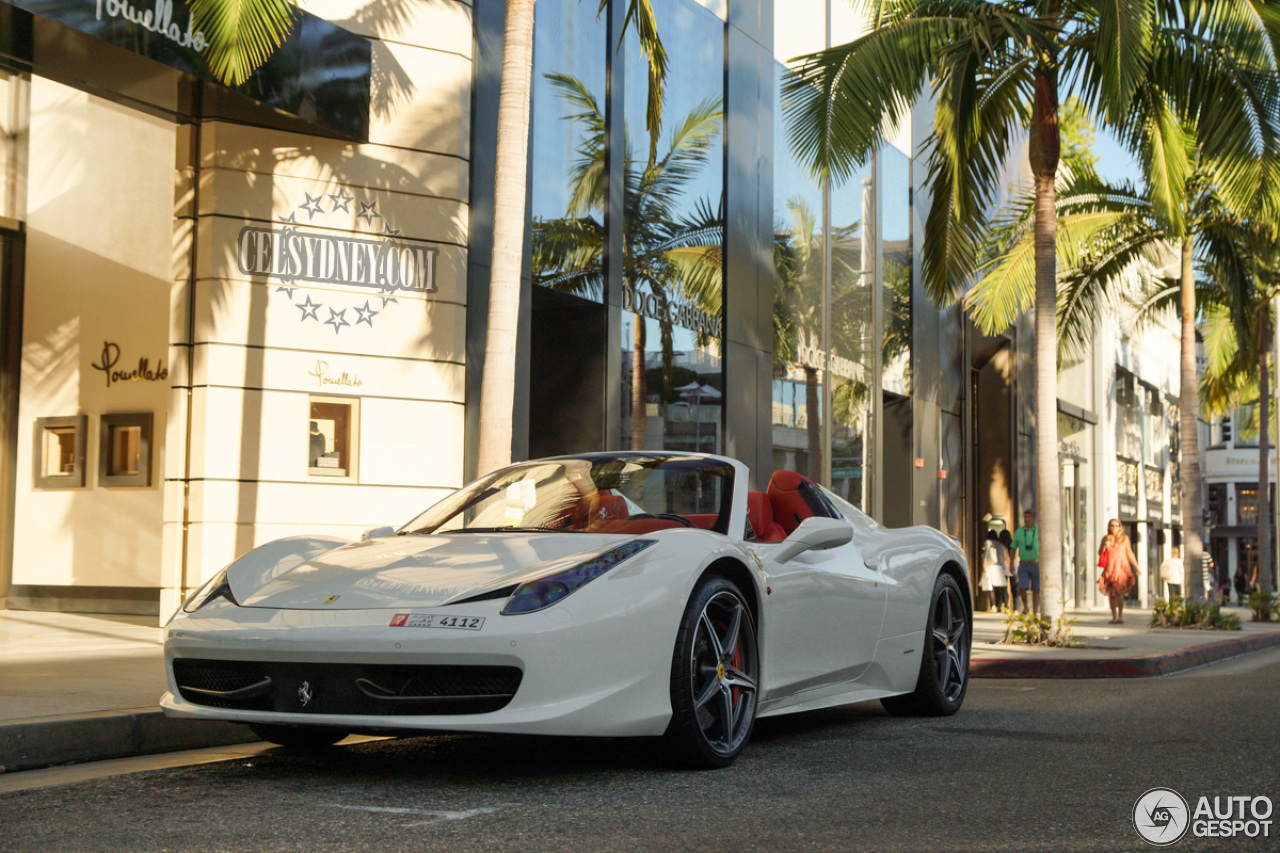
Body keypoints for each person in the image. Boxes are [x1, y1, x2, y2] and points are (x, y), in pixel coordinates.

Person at [1098, 519, 1139, 623]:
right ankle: (1113, 616)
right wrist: (1104, 547)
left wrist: (1136, 566)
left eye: (1116, 525)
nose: (1114, 527)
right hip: (1110, 568)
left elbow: (1129, 553)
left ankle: (1120, 616)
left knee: (1120, 593)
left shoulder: (1124, 539)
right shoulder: (1106, 538)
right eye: (1112, 525)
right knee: (1111, 594)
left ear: (1120, 527)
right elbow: (1100, 553)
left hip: (1121, 569)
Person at [1011, 509, 1040, 614]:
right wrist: (1011, 563)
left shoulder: (1039, 530)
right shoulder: (1019, 532)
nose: (1026, 520)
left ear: (1034, 518)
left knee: (1036, 589)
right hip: (1023, 563)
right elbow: (1013, 547)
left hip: (1036, 563)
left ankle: (1035, 612)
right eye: (1025, 517)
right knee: (1021, 587)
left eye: (1029, 517)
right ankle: (1026, 607)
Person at [981, 530, 1009, 611]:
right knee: (1000, 588)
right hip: (999, 567)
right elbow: (1004, 557)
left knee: (991, 588)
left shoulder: (988, 542)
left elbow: (986, 554)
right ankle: (1000, 605)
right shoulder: (1001, 544)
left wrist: (984, 566)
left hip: (990, 566)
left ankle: (993, 606)